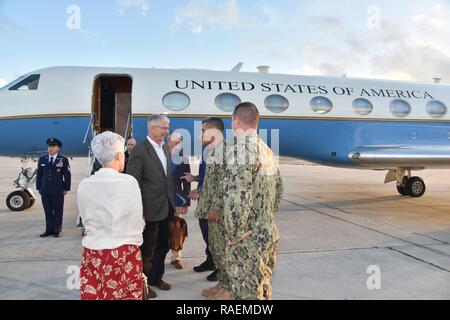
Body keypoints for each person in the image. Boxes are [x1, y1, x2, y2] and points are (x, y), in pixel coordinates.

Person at [215, 102, 284, 300]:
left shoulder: (240, 151)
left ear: (235, 121)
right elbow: (279, 188)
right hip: (268, 232)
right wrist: (264, 218)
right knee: (262, 289)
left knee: (246, 295)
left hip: (248, 240)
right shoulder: (267, 150)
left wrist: (235, 234)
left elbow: (238, 199)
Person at [78, 132, 146, 300]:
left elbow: (85, 219)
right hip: (124, 251)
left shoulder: (85, 184)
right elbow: (138, 221)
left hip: (94, 251)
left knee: (95, 293)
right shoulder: (129, 182)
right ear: (119, 155)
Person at [127, 115, 174, 299]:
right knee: (147, 248)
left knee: (164, 244)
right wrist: (139, 212)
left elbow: (166, 177)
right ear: (152, 128)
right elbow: (134, 183)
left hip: (167, 206)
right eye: (164, 127)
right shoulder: (139, 150)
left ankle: (156, 278)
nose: (167, 131)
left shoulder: (164, 148)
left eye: (167, 127)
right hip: (149, 209)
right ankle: (142, 284)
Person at [184, 118, 226, 285]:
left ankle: (220, 267)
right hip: (204, 201)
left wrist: (200, 192)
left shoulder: (224, 152)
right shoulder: (208, 150)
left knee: (217, 237)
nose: (200, 134)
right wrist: (194, 178)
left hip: (214, 204)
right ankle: (211, 260)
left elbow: (221, 183)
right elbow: (208, 177)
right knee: (207, 234)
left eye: (203, 130)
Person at [36, 138, 71, 238]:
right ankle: (48, 230)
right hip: (45, 189)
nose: (51, 148)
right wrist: (39, 187)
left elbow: (67, 175)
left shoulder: (63, 160)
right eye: (49, 146)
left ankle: (56, 230)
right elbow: (39, 175)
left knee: (58, 210)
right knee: (47, 210)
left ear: (57, 149)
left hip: (58, 190)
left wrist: (66, 188)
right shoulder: (42, 159)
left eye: (53, 147)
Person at [167, 133, 191, 270]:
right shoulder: (160, 155)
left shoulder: (184, 159)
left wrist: (186, 202)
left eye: (178, 142)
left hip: (177, 199)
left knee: (177, 229)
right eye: (173, 141)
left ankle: (176, 258)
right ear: (168, 141)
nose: (175, 144)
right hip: (161, 199)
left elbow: (186, 182)